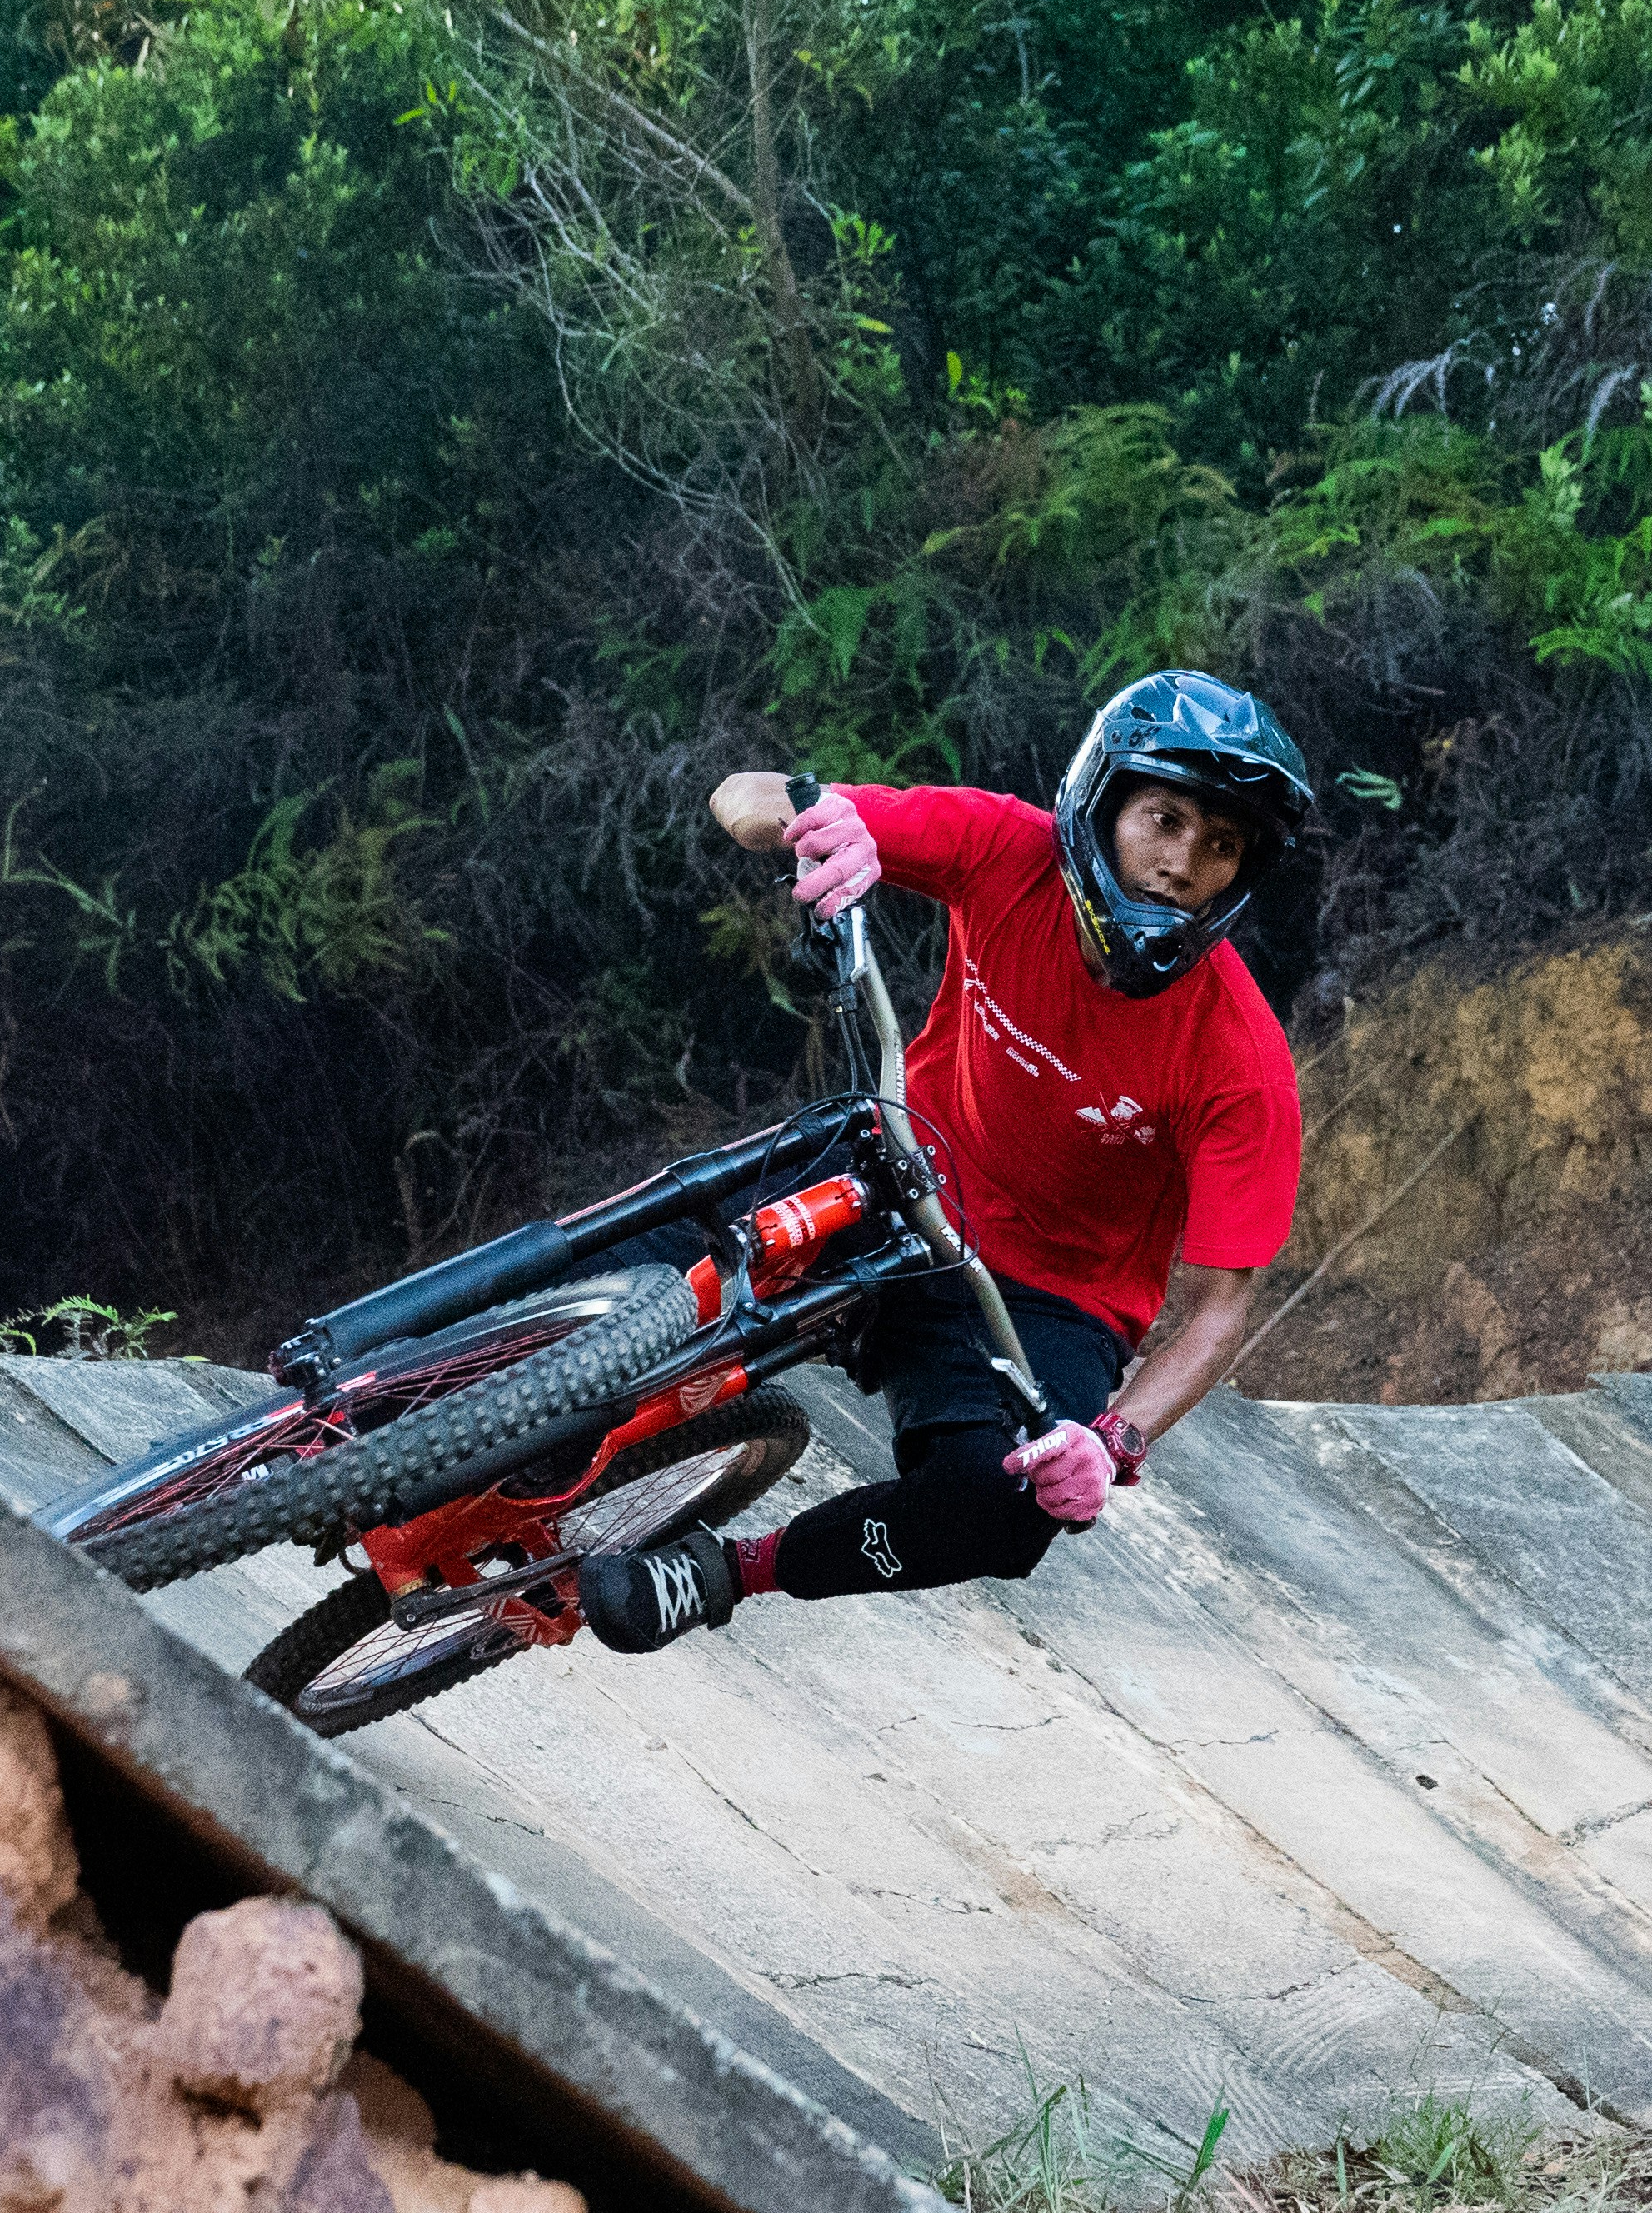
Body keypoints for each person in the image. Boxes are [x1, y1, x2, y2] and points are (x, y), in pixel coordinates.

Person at [549, 670, 1315, 1653]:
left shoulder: (1240, 1061)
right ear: (1104, 799)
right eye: (1163, 818)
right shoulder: (1007, 847)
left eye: (1219, 845)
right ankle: (385, 1396)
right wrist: (825, 824)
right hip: (894, 1167)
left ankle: (720, 1572)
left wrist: (1113, 1438)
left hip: (1042, 1299)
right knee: (631, 1250)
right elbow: (746, 794)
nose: (1180, 862)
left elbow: (1220, 1310)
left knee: (1005, 1510)